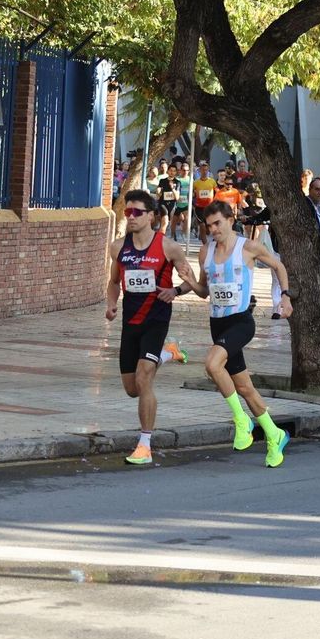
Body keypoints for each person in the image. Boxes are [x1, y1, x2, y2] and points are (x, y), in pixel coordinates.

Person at [106, 190, 200, 466]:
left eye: (137, 212)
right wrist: (111, 305)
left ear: (151, 215)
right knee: (132, 388)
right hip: (130, 322)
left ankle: (145, 444)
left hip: (156, 320)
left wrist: (176, 290)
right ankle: (169, 354)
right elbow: (113, 282)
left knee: (144, 378)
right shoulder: (117, 247)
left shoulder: (168, 247)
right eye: (127, 212)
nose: (131, 217)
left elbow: (190, 280)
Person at [198, 202, 293, 467]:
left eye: (218, 223)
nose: (213, 229)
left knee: (212, 364)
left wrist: (285, 297)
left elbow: (279, 266)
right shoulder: (205, 252)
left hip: (240, 322)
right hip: (217, 323)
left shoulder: (247, 247)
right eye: (209, 226)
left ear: (231, 219)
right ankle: (275, 434)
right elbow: (204, 290)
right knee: (244, 387)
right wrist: (180, 288)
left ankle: (242, 421)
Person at [191, 162, 218, 240]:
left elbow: (217, 192)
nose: (205, 172)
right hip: (199, 207)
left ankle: (202, 236)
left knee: (207, 229)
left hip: (209, 207)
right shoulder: (196, 183)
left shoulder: (212, 181)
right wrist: (193, 197)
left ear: (208, 171)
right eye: (203, 170)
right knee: (202, 225)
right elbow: (192, 193)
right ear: (200, 171)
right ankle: (205, 244)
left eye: (206, 170)